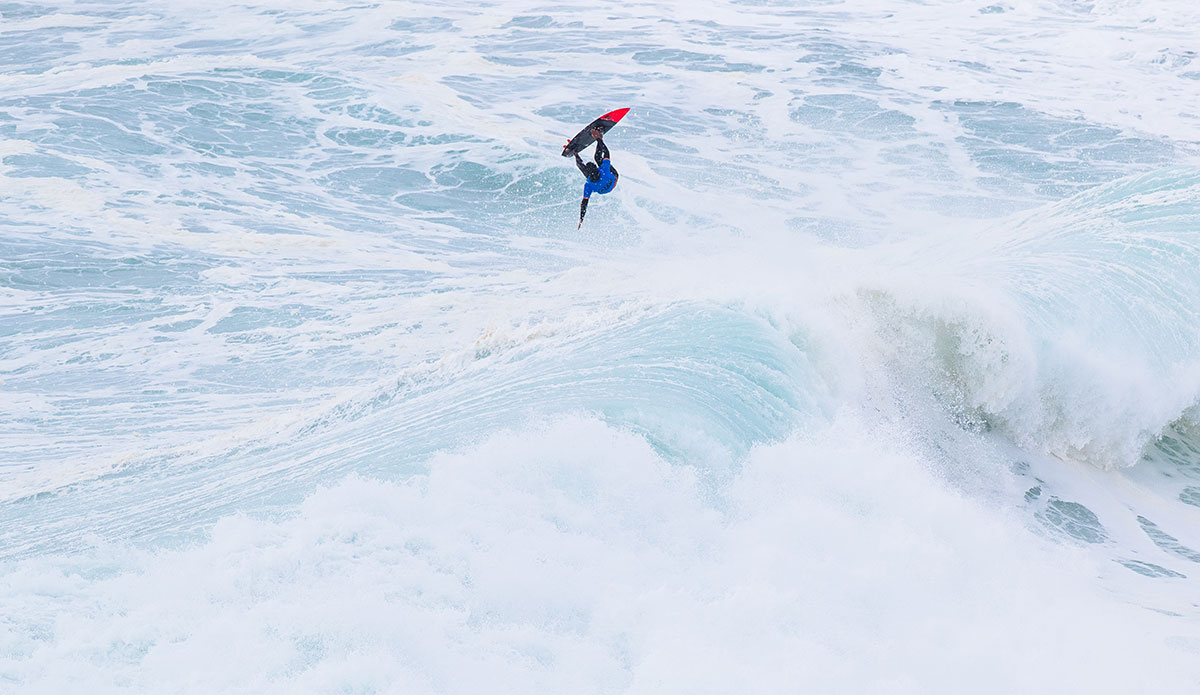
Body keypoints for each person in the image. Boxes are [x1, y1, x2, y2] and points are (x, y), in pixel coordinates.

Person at [574, 128, 618, 228]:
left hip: (606, 188)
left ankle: (576, 155)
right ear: (597, 169)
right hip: (613, 179)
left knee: (588, 163)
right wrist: (599, 140)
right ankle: (599, 135)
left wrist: (581, 218)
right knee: (598, 158)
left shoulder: (589, 184)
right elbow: (606, 152)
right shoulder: (605, 171)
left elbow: (585, 202)